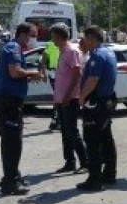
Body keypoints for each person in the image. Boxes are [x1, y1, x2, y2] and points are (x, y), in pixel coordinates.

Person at [0, 23, 45, 195]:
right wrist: (32, 74)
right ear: (23, 34)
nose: (34, 39)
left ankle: (13, 175)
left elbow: (14, 76)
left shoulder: (16, 48)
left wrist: (28, 78)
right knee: (12, 143)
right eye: (33, 35)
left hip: (11, 102)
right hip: (8, 103)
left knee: (13, 141)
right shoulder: (13, 48)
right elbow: (14, 72)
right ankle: (10, 183)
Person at [77, 26, 118, 191]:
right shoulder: (109, 52)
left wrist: (81, 97)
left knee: (92, 141)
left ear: (92, 38)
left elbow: (93, 79)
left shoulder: (98, 55)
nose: (83, 41)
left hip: (96, 102)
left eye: (85, 38)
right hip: (106, 100)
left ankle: (94, 179)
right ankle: (109, 174)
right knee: (106, 138)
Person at [49, 24, 87, 173]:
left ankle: (85, 162)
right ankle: (69, 161)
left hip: (69, 99)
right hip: (61, 99)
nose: (52, 39)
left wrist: (67, 95)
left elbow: (77, 74)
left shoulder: (71, 51)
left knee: (72, 131)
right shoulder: (62, 51)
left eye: (53, 36)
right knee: (65, 131)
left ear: (59, 36)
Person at [42, 34, 62, 131]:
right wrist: (44, 73)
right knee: (59, 99)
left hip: (59, 74)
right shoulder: (50, 44)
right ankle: (55, 121)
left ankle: (55, 121)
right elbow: (44, 59)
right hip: (54, 74)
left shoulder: (65, 45)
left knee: (58, 98)